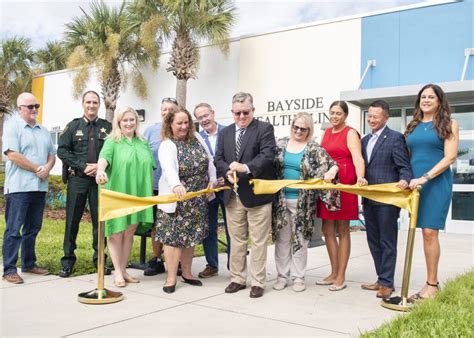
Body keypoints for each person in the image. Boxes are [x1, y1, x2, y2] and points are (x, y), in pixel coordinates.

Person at [215, 92, 277, 298]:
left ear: (253, 110)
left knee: (258, 241)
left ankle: (258, 281)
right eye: (237, 113)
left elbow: (267, 155)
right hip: (233, 197)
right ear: (232, 112)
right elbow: (219, 159)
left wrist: (245, 167)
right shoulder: (225, 134)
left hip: (257, 196)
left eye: (245, 112)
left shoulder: (264, 129)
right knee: (237, 240)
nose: (241, 116)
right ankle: (237, 278)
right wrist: (227, 172)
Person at [272, 112, 339, 292]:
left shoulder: (313, 148)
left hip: (303, 202)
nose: (298, 131)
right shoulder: (281, 144)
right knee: (282, 240)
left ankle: (298, 277)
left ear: (309, 130)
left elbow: (332, 163)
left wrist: (331, 171)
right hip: (281, 201)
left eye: (303, 128)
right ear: (291, 126)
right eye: (296, 127)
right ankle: (281, 276)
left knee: (301, 239)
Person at [155, 106, 216, 293]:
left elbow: (209, 161)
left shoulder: (196, 138)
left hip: (197, 199)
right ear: (170, 125)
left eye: (186, 122)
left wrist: (212, 180)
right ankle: (171, 277)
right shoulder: (167, 144)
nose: (183, 126)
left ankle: (187, 273)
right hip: (177, 199)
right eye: (179, 123)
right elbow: (168, 169)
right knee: (173, 240)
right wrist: (176, 185)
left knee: (191, 237)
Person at [406, 84, 459, 301]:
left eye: (431, 97)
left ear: (439, 101)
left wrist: (425, 177)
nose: (426, 100)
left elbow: (450, 157)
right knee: (421, 232)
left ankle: (432, 285)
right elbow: (408, 156)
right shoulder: (413, 126)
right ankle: (429, 283)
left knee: (430, 232)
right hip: (414, 185)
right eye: (423, 97)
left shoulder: (450, 124)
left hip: (435, 183)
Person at [96, 107, 155, 287]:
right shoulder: (112, 142)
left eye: (132, 120)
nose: (129, 123)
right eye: (125, 120)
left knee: (129, 232)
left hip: (137, 194)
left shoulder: (143, 142)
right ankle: (118, 273)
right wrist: (100, 170)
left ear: (136, 122)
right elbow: (104, 159)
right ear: (118, 122)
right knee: (116, 232)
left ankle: (123, 270)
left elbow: (150, 165)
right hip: (118, 193)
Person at [2, 92, 56, 284]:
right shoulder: (12, 126)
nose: (34, 110)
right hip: (19, 188)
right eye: (30, 107)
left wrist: (48, 168)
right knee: (14, 229)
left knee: (33, 228)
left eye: (37, 106)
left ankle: (28, 263)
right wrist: (36, 169)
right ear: (20, 109)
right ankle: (9, 269)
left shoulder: (43, 130)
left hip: (39, 187)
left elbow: (52, 154)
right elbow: (12, 154)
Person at [57, 90, 112, 278]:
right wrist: (82, 165)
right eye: (88, 102)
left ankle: (100, 260)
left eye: (95, 102)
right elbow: (62, 151)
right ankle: (67, 261)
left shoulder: (107, 127)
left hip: (100, 181)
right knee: (72, 221)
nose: (91, 106)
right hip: (78, 180)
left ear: (99, 105)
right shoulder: (73, 126)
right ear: (83, 104)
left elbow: (114, 151)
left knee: (100, 222)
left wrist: (99, 166)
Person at [360, 100, 412, 299]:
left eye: (376, 116)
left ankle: (387, 284)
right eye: (370, 116)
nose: (371, 119)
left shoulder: (395, 138)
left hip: (388, 201)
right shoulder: (364, 140)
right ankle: (381, 278)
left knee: (387, 241)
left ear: (386, 118)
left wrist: (405, 180)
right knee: (373, 241)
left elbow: (404, 166)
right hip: (369, 199)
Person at [316, 100, 366, 291]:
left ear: (345, 116)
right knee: (327, 229)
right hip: (328, 184)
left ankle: (341, 276)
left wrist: (360, 177)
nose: (335, 116)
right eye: (332, 113)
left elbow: (357, 157)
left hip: (344, 182)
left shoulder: (350, 132)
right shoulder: (326, 132)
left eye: (338, 113)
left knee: (343, 229)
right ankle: (333, 272)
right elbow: (322, 158)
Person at [193, 102, 231, 278]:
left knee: (232, 227)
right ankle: (212, 265)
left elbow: (234, 157)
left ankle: (235, 264)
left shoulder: (229, 132)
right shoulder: (197, 138)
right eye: (200, 118)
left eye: (206, 115)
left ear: (213, 113)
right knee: (209, 227)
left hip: (227, 187)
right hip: (207, 189)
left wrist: (225, 175)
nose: (204, 120)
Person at [142, 97, 178, 276]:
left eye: (171, 109)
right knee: (157, 224)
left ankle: (174, 261)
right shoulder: (150, 131)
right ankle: (156, 259)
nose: (167, 112)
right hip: (156, 186)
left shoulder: (181, 128)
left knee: (175, 223)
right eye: (164, 109)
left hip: (177, 188)